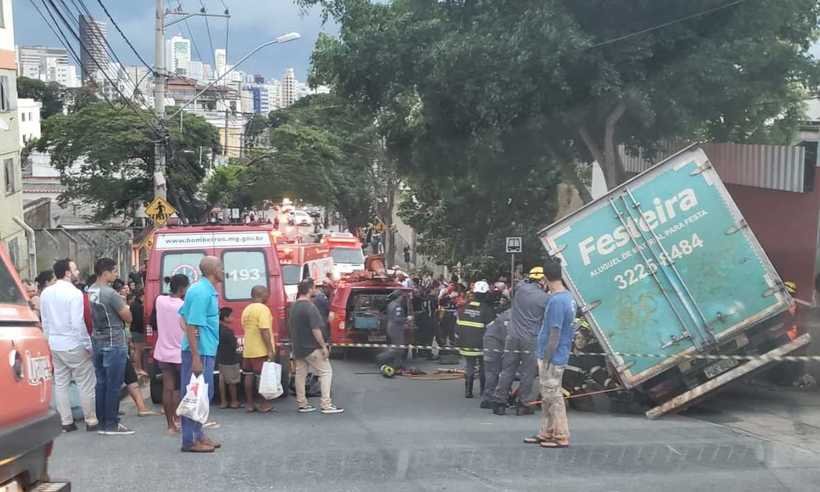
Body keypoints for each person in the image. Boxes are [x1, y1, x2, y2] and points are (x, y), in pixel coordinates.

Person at [41, 258, 98, 432]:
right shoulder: (74, 294)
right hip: (73, 343)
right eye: (74, 269)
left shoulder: (45, 293)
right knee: (86, 383)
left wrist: (48, 341)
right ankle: (91, 420)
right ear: (67, 273)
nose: (77, 272)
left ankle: (66, 422)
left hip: (55, 343)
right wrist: (88, 345)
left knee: (60, 384)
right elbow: (77, 323)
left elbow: (46, 322)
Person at [525, 260, 576, 448]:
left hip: (552, 357)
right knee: (547, 396)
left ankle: (561, 435)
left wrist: (546, 358)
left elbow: (554, 332)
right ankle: (546, 432)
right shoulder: (569, 297)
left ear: (545, 278)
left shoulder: (556, 301)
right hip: (559, 354)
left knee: (553, 397)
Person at [178, 256, 223, 452]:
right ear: (212, 270)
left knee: (204, 395)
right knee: (194, 394)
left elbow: (183, 317)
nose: (223, 270)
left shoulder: (205, 290)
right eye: (220, 266)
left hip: (205, 349)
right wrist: (195, 356)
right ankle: (189, 440)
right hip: (199, 352)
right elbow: (190, 322)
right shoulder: (201, 292)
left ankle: (198, 435)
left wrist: (190, 332)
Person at [491, 266, 550, 416]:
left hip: (512, 337)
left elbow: (516, 285)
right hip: (530, 339)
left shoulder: (519, 289)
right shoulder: (544, 298)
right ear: (542, 280)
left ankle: (499, 402)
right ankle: (523, 404)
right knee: (527, 373)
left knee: (507, 370)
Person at [88, 258, 134, 435]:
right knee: (114, 385)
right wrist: (125, 304)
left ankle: (102, 422)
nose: (116, 274)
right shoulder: (110, 293)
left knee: (101, 383)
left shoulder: (90, 290)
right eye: (114, 271)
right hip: (114, 341)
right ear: (105, 273)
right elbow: (127, 317)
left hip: (98, 340)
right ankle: (112, 423)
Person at [289, 279, 344, 414]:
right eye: (314, 288)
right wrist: (323, 346)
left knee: (300, 374)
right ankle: (326, 404)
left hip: (298, 347)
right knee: (326, 372)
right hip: (311, 347)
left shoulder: (294, 306)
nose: (316, 290)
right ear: (309, 290)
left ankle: (302, 403)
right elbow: (316, 329)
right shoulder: (310, 307)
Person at [153, 274, 190, 434]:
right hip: (180, 352)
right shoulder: (183, 306)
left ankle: (170, 425)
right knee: (180, 389)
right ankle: (180, 419)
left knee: (167, 388)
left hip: (163, 351)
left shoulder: (160, 301)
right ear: (182, 289)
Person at [455, 281, 496, 398]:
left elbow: (457, 328)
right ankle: (483, 390)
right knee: (483, 367)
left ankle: (468, 391)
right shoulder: (487, 310)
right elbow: (492, 330)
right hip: (482, 344)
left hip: (466, 343)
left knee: (469, 366)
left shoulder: (463, 308)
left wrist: (458, 342)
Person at [241, 286, 276, 413]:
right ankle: (264, 404)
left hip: (248, 349)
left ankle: (249, 404)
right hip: (260, 349)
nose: (268, 296)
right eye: (267, 293)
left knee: (248, 376)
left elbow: (245, 326)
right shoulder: (263, 309)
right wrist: (270, 349)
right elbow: (264, 330)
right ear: (262, 294)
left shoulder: (247, 309)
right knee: (262, 377)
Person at [481, 308, 511, 409]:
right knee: (493, 371)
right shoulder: (510, 317)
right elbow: (507, 336)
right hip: (493, 344)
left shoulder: (510, 314)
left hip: (492, 342)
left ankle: (489, 397)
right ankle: (489, 398)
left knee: (493, 372)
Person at [378, 290, 412, 369]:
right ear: (398, 297)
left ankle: (398, 364)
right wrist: (407, 318)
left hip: (391, 327)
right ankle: (381, 357)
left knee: (399, 348)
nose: (402, 299)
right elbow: (397, 319)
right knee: (398, 349)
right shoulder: (397, 307)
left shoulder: (390, 304)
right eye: (401, 297)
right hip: (396, 329)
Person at [217, 308, 241, 409]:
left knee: (222, 379)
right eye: (231, 316)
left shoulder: (217, 329)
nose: (233, 318)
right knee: (232, 381)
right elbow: (234, 345)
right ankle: (234, 401)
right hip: (230, 359)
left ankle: (223, 402)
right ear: (225, 318)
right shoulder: (228, 331)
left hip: (221, 357)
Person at [129, 289, 147, 377]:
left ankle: (138, 368)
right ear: (141, 296)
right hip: (138, 330)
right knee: (138, 351)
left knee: (137, 350)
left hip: (134, 329)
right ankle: (138, 369)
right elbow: (139, 320)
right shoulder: (138, 306)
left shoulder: (133, 304)